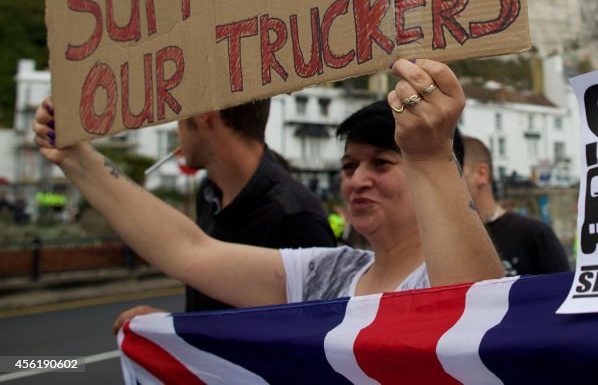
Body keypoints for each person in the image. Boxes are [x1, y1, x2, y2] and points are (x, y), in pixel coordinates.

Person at [34, 59, 503, 328]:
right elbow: (188, 250)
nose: (357, 179)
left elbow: (476, 315)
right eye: (348, 165)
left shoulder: (446, 277)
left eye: (381, 163)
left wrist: (428, 152)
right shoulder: (328, 271)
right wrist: (79, 161)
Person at [114, 100, 336, 329]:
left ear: (205, 116)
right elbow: (212, 316)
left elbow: (317, 339)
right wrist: (169, 329)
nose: (176, 130)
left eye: (179, 116)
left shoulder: (296, 218)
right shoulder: (210, 193)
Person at [462, 136, 570, 276]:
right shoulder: (445, 242)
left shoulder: (534, 234)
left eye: (454, 172)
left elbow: (563, 293)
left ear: (482, 174)